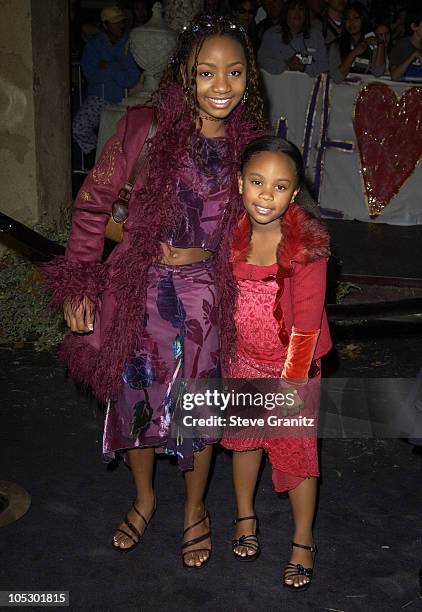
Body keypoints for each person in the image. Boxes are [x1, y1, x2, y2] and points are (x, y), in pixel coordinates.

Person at [43, 14, 265, 568]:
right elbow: (94, 205)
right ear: (185, 74)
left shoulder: (254, 146)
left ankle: (196, 510)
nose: (221, 85)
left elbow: (276, 223)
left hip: (208, 300)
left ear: (248, 78)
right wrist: (80, 284)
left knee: (200, 413)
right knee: (134, 400)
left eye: (234, 73)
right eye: (207, 72)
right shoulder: (145, 128)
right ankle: (143, 498)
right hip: (138, 291)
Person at [219, 136, 331, 589]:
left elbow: (306, 322)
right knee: (244, 444)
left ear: (295, 192)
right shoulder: (230, 233)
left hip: (292, 370)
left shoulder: (306, 245)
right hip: (242, 362)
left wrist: (291, 386)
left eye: (280, 186)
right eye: (257, 182)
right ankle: (245, 517)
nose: (266, 195)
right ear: (239, 183)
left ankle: (303, 539)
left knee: (297, 455)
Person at [72, 6, 141, 156]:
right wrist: (116, 69)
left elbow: (131, 78)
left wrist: (110, 67)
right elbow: (90, 73)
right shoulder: (94, 45)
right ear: (105, 25)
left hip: (121, 101)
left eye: (121, 22)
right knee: (79, 126)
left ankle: (112, 167)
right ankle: (97, 156)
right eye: (115, 22)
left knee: (123, 139)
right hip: (98, 98)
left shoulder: (129, 45)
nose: (120, 26)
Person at [258, 0, 328, 77]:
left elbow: (324, 66)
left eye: (301, 9)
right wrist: (287, 65)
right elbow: (262, 62)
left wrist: (304, 67)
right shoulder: (272, 35)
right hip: (280, 85)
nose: (297, 13)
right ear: (286, 12)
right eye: (292, 9)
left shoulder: (316, 36)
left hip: (308, 86)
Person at [328, 1, 385, 83]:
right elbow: (336, 78)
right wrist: (353, 53)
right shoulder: (337, 45)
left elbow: (378, 72)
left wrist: (380, 44)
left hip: (365, 92)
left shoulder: (372, 41)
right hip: (341, 93)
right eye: (347, 19)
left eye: (356, 18)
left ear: (363, 19)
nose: (351, 23)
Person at [390, 7, 422, 82]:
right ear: (414, 26)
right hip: (404, 91)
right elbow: (394, 76)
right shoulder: (401, 46)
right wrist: (413, 56)